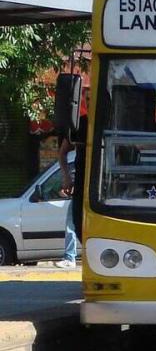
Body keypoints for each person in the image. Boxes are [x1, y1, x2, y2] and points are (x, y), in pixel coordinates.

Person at [57, 107, 87, 269]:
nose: (90, 102)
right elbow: (62, 153)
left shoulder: (112, 120)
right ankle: (70, 257)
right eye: (87, 98)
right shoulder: (80, 124)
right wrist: (67, 177)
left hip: (107, 184)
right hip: (82, 183)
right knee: (72, 220)